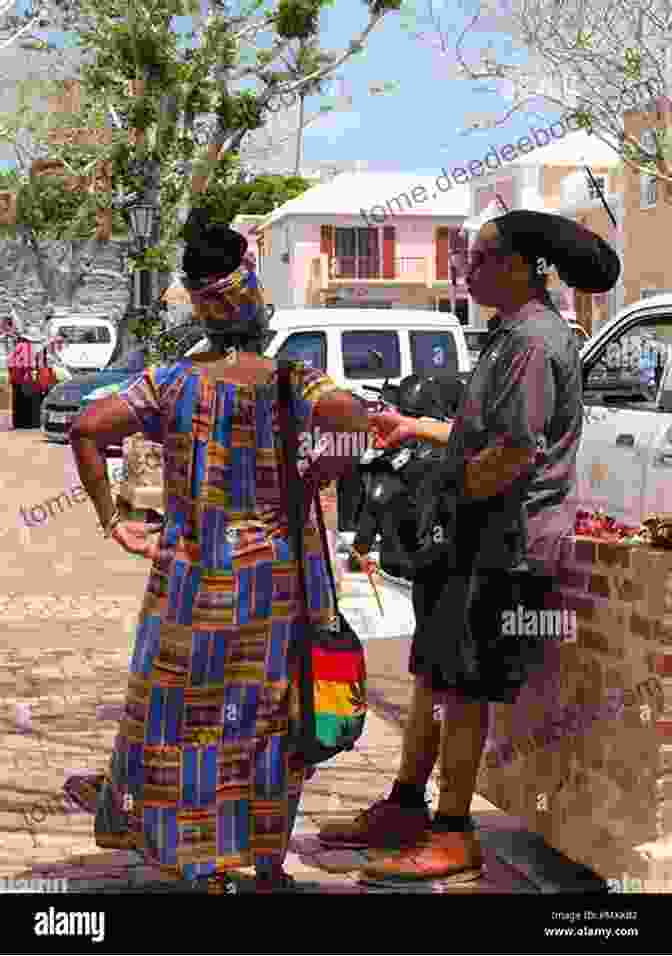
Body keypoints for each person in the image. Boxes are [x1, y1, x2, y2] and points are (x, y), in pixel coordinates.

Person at [65, 210, 372, 893]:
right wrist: (329, 467)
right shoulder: (291, 379)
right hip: (273, 587)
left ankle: (200, 863)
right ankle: (263, 864)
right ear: (254, 296)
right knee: (269, 719)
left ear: (203, 306)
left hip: (190, 587)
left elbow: (87, 427)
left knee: (188, 719)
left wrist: (113, 517)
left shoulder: (172, 381)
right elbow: (356, 417)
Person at [318, 209, 620, 888]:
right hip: (471, 538)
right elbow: (481, 434)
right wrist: (418, 428)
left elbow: (513, 453)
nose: (468, 269)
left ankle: (454, 832)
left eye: (480, 258)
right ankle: (405, 806)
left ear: (518, 266)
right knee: (432, 674)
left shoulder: (536, 343)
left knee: (464, 690)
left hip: (503, 546)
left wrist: (447, 499)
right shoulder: (510, 336)